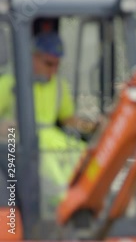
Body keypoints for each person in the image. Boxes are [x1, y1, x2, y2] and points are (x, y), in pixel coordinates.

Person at [0, 32, 99, 219]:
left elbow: (68, 118)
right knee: (46, 156)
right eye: (48, 64)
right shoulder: (9, 83)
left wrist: (92, 126)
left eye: (57, 65)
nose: (53, 70)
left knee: (82, 151)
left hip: (51, 139)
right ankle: (61, 203)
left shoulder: (59, 85)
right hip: (15, 146)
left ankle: (81, 200)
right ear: (32, 57)